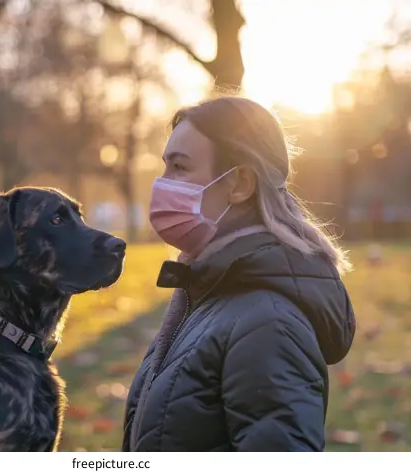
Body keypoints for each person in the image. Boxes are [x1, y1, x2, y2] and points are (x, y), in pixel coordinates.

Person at [122, 96, 356, 452]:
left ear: (240, 183)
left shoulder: (267, 324)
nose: (162, 183)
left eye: (180, 167)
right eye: (165, 166)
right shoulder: (206, 292)